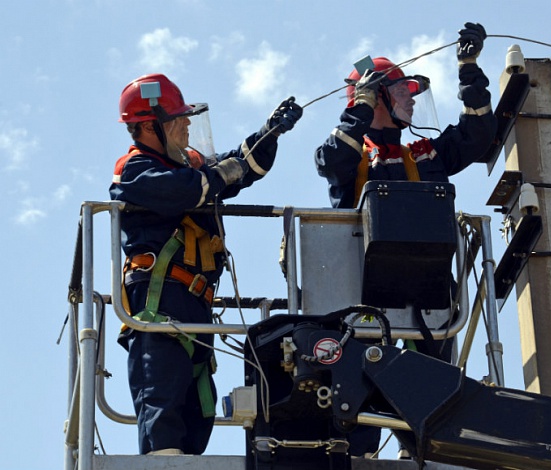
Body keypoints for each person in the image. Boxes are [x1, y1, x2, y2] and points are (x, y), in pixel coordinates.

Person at [313, 22, 497, 457]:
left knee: (431, 388)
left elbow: (477, 135)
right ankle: (359, 458)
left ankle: (420, 453)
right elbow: (330, 160)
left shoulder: (424, 153)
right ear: (376, 98)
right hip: (363, 294)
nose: (411, 99)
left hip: (427, 291)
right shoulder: (352, 154)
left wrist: (469, 68)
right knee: (362, 382)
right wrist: (358, 109)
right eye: (401, 91)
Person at [110, 73, 302, 456]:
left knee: (198, 418)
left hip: (194, 309)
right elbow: (188, 189)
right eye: (177, 118)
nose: (186, 123)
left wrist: (269, 134)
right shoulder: (135, 171)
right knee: (163, 418)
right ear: (148, 126)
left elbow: (240, 168)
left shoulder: (192, 168)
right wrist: (219, 174)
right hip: (159, 307)